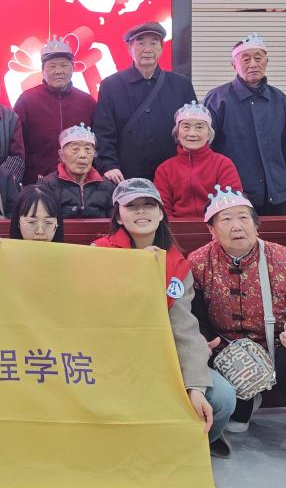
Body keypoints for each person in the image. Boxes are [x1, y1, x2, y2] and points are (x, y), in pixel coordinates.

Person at [189, 186, 286, 473]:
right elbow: (196, 321)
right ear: (211, 230)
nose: (236, 226)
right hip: (226, 354)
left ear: (256, 225)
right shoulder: (197, 263)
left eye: (243, 218)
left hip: (280, 348)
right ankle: (244, 403)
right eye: (225, 220)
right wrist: (203, 342)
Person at [90, 179, 237, 459]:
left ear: (161, 214)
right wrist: (137, 269)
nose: (141, 211)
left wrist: (195, 386)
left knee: (221, 397)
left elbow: (184, 329)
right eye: (131, 206)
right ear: (118, 216)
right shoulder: (98, 253)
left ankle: (197, 443)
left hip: (160, 360)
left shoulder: (177, 265)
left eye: (149, 205)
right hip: (110, 359)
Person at [204, 34, 286, 216]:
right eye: (246, 59)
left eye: (258, 58)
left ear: (266, 62)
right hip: (233, 193)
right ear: (233, 64)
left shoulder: (280, 100)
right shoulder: (218, 99)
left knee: (277, 234)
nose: (253, 64)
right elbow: (206, 148)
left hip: (275, 192)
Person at [92, 21, 197, 183]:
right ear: (129, 48)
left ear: (161, 48)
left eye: (154, 43)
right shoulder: (111, 85)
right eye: (141, 43)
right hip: (125, 175)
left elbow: (193, 127)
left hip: (173, 174)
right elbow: (103, 131)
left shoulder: (181, 85)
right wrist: (108, 165)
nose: (147, 49)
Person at [13, 36, 98, 185]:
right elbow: (16, 143)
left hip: (78, 181)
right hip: (37, 181)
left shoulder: (87, 101)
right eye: (52, 66)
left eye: (64, 65)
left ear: (72, 68)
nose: (58, 71)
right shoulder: (26, 100)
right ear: (42, 70)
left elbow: (98, 142)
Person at [153, 102, 242, 219]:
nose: (192, 133)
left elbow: (232, 205)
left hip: (216, 226)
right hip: (177, 227)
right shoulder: (164, 169)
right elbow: (162, 209)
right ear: (177, 133)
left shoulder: (223, 164)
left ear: (209, 134)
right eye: (186, 127)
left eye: (199, 127)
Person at [40, 124, 113, 220]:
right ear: (61, 155)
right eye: (75, 149)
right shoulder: (47, 186)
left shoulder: (107, 187)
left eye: (88, 149)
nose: (83, 155)